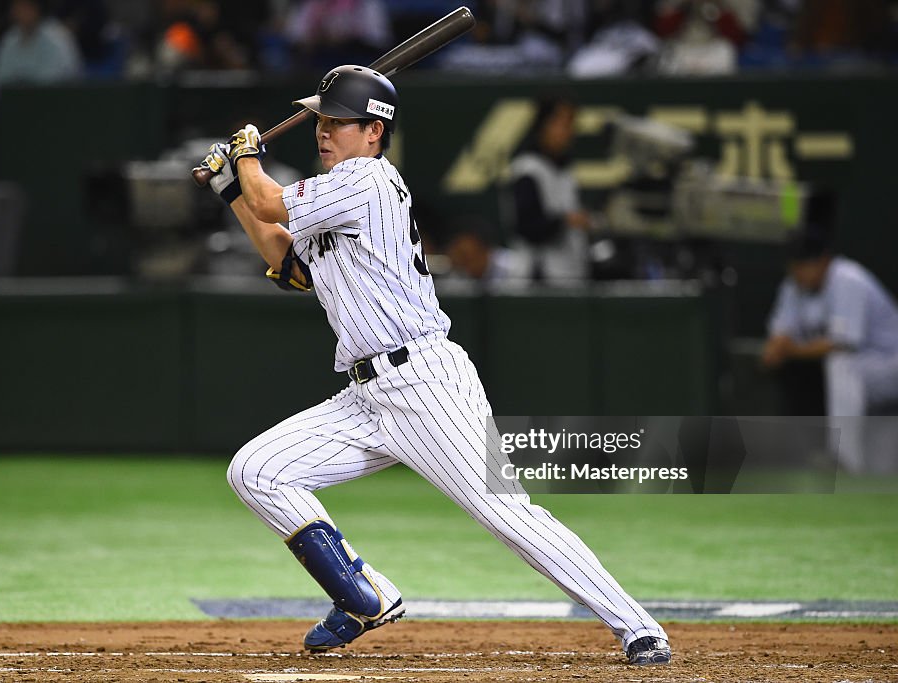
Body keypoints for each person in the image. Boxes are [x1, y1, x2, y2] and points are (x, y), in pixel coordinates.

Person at [200, 64, 672, 665]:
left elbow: (268, 198)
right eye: (321, 118)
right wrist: (230, 192)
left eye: (339, 120)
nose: (323, 130)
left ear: (374, 132)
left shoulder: (367, 179)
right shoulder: (331, 196)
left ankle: (636, 625)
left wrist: (245, 155)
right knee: (256, 471)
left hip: (424, 384)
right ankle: (364, 594)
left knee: (505, 513)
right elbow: (285, 260)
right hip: (366, 394)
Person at [762, 222, 898, 470]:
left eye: (803, 265)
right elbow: (779, 334)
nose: (797, 272)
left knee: (841, 365)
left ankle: (843, 460)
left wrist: (792, 350)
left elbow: (842, 344)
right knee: (882, 470)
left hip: (890, 363)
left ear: (823, 260)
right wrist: (779, 346)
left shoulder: (848, 279)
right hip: (867, 373)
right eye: (793, 265)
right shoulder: (793, 286)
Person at [504, 93, 591, 283]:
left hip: (569, 277)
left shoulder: (565, 170)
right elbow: (526, 227)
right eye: (562, 123)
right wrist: (565, 221)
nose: (568, 131)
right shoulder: (527, 168)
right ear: (543, 124)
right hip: (538, 280)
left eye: (571, 124)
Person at [0, 0, 81, 98]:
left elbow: (50, 86)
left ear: (37, 7)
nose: (18, 11)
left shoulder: (58, 38)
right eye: (16, 6)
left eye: (24, 6)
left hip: (55, 105)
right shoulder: (9, 39)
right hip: (13, 107)